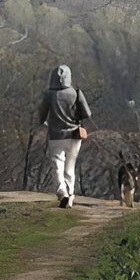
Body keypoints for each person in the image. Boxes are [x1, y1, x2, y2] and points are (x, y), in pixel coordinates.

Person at [39, 64, 91, 208]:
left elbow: (42, 114)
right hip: (74, 135)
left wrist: (43, 122)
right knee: (70, 167)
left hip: (56, 135)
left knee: (57, 164)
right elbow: (87, 113)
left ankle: (62, 191)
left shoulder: (49, 94)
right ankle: (71, 195)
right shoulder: (75, 93)